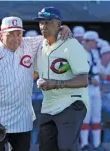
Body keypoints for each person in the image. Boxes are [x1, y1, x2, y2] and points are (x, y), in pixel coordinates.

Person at [0, 16, 71, 151]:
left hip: (22, 117)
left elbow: (52, 35)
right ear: (1, 34)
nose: (16, 38)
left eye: (19, 33)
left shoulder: (29, 44)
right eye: (10, 34)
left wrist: (62, 28)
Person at [34, 7, 89, 151]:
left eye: (48, 22)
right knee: (46, 148)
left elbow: (83, 80)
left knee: (66, 148)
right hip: (48, 105)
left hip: (71, 103)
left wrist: (56, 83)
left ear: (58, 24)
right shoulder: (39, 45)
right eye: (41, 23)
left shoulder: (71, 44)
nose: (43, 26)